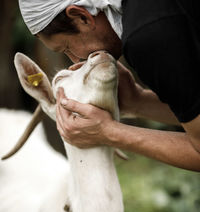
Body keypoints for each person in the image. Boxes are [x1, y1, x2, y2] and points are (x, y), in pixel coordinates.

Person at [19, 0, 200, 171]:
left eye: (67, 47)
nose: (76, 59)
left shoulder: (146, 37)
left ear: (82, 16)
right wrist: (137, 102)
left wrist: (108, 132)